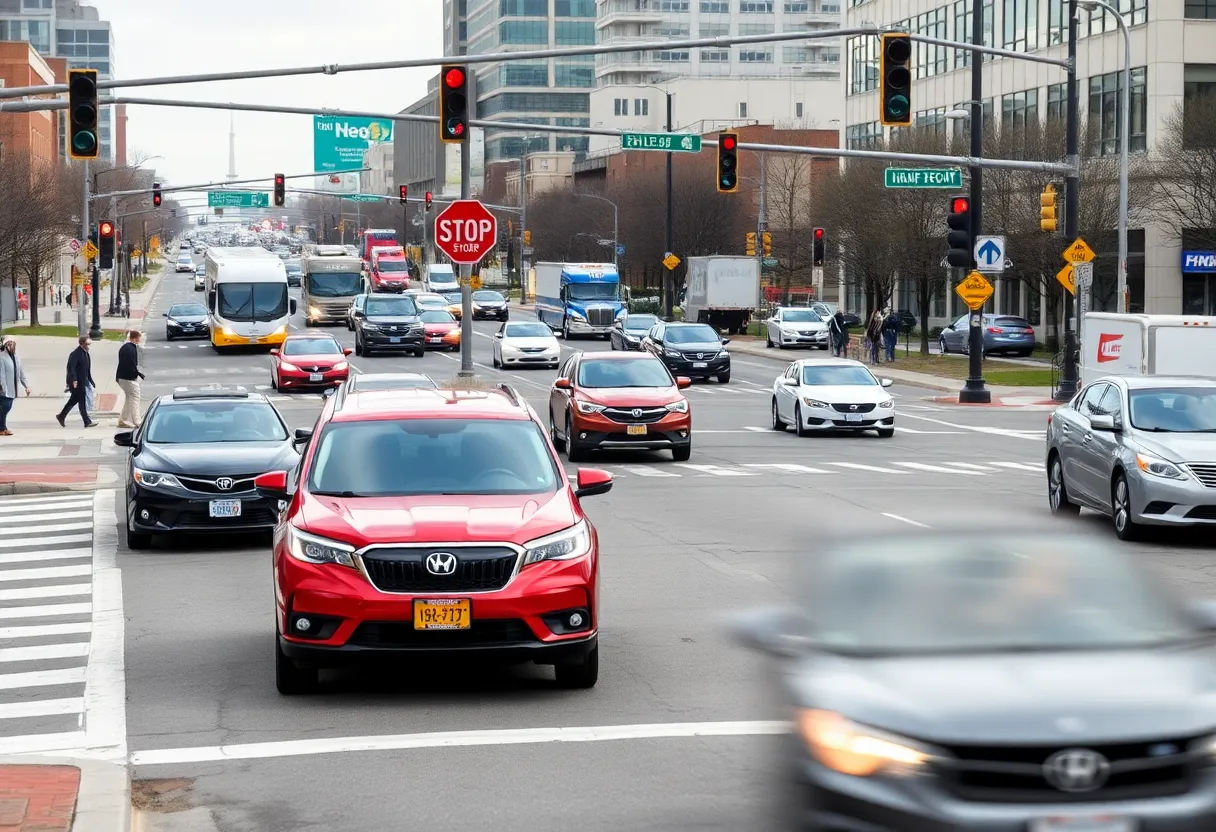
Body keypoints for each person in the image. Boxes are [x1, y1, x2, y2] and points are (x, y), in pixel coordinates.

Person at [57, 336, 96, 428]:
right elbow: (72, 368)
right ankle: (87, 421)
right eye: (87, 344)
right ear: (82, 343)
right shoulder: (75, 354)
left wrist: (91, 380)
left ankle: (61, 415)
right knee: (81, 401)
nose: (88, 346)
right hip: (76, 382)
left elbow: (87, 370)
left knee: (74, 400)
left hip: (83, 381)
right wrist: (74, 380)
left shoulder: (86, 354)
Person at [0, 336, 31, 437]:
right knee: (5, 407)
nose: (12, 346)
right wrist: (4, 388)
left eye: (13, 344)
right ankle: (2, 428)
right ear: (6, 345)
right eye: (10, 344)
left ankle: (3, 428)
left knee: (5, 408)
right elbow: (1, 374)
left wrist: (26, 386)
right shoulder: (1, 357)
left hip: (12, 388)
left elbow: (20, 373)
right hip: (4, 389)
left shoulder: (16, 357)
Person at [116, 329, 145, 428]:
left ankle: (123, 419)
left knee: (129, 398)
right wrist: (136, 373)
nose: (140, 340)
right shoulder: (130, 348)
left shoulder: (125, 347)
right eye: (139, 338)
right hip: (128, 378)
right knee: (135, 397)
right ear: (135, 338)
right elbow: (131, 364)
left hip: (122, 377)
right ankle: (137, 421)